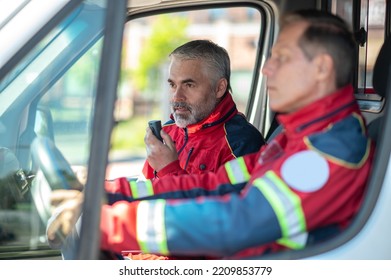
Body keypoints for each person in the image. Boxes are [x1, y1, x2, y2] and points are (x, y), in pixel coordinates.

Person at [47, 9, 375, 259]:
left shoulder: (327, 150)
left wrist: (109, 224)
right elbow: (213, 184)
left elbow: (238, 221)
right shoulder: (293, 139)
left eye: (282, 58)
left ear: (321, 69)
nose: (265, 69)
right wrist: (105, 192)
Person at [141, 39, 265, 180]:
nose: (176, 97)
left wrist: (169, 170)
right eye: (173, 85)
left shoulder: (243, 143)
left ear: (219, 88)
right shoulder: (168, 132)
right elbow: (145, 187)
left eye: (189, 85)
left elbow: (226, 201)